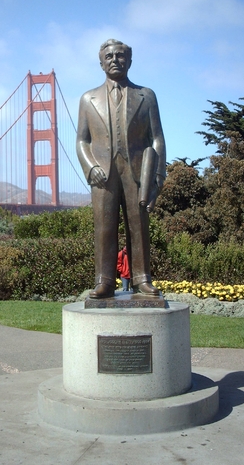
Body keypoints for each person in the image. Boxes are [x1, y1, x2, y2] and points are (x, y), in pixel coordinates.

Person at [76, 39, 166, 299]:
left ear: (129, 60)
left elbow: (157, 137)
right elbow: (82, 140)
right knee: (104, 228)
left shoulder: (146, 96)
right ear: (101, 62)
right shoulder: (87, 99)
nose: (115, 60)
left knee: (139, 226)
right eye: (109, 56)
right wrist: (90, 166)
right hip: (102, 174)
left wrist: (158, 175)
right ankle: (104, 280)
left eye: (120, 55)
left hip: (138, 171)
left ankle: (142, 279)